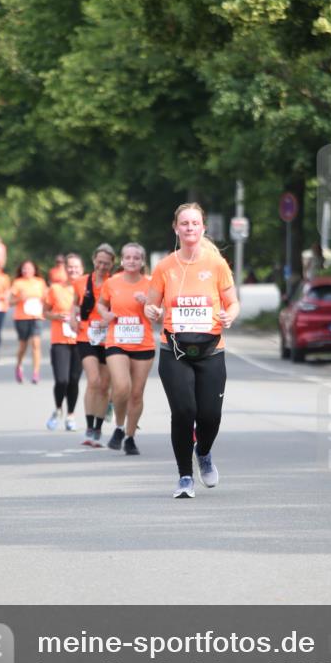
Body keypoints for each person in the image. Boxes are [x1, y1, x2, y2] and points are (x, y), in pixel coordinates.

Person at [145, 203, 240, 499]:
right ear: (176, 228)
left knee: (210, 415)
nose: (189, 228)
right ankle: (185, 476)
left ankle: (204, 452)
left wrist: (229, 315)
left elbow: (232, 302)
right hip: (174, 350)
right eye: (184, 223)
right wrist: (152, 311)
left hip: (211, 350)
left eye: (194, 223)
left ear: (203, 228)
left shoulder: (217, 264)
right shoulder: (165, 267)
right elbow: (150, 305)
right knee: (184, 412)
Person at [97, 242, 156, 456]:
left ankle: (130, 437)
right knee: (122, 387)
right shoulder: (112, 283)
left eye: (136, 258)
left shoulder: (151, 284)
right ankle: (119, 427)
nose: (132, 261)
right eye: (128, 257)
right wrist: (105, 314)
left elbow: (161, 314)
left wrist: (148, 303)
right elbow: (101, 304)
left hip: (143, 343)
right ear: (122, 261)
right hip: (117, 341)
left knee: (137, 394)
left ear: (142, 261)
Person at [72, 243, 115, 447]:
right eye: (99, 262)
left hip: (109, 338)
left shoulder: (114, 283)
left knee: (104, 385)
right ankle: (89, 426)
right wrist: (72, 318)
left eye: (106, 263)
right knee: (94, 380)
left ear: (112, 264)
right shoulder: (81, 282)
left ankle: (98, 427)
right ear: (93, 260)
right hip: (86, 336)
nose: (102, 266)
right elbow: (74, 304)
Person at [44, 269, 80, 431]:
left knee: (73, 380)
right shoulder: (55, 289)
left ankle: (70, 415)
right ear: (65, 270)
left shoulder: (86, 288)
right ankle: (58, 409)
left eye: (76, 267)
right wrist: (56, 316)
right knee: (61, 380)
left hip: (80, 340)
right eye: (70, 267)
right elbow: (45, 312)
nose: (73, 270)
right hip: (60, 340)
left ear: (81, 269)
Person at [9, 261, 47, 384]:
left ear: (34, 270)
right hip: (21, 317)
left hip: (37, 316)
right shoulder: (18, 283)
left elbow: (46, 298)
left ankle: (36, 372)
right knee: (23, 346)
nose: (26, 271)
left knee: (36, 344)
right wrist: (20, 298)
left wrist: (45, 301)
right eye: (24, 269)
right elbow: (10, 302)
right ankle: (19, 365)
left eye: (29, 268)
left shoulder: (40, 282)